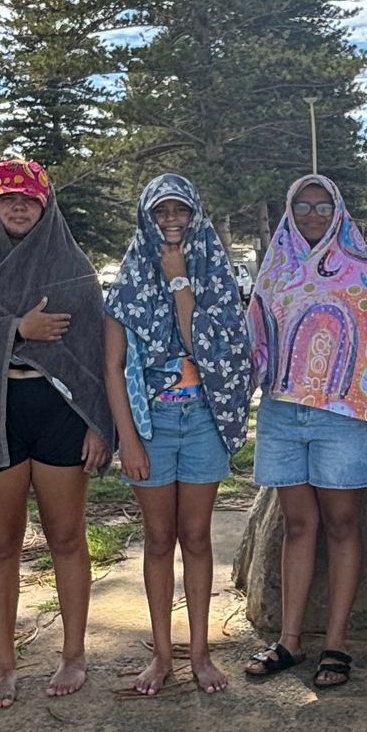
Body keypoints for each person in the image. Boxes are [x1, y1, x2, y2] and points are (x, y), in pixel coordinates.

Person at [0, 155, 113, 705]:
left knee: (66, 535)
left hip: (59, 410)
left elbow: (95, 351)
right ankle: (4, 665)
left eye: (28, 199)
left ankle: (74, 655)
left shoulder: (71, 265)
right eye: (7, 198)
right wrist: (16, 329)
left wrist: (98, 422)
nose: (17, 206)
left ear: (45, 205)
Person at [244, 173, 367, 691]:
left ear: (337, 212)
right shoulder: (274, 271)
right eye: (303, 206)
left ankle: (336, 643)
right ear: (289, 213)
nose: (313, 215)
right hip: (283, 414)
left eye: (322, 206)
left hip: (343, 415)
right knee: (297, 525)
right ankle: (289, 640)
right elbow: (255, 339)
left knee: (341, 523)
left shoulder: (362, 271)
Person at [104, 175, 254, 697]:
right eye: (161, 211)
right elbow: (113, 366)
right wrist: (128, 439)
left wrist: (178, 281)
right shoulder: (126, 281)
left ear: (195, 214)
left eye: (180, 210)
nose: (171, 220)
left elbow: (211, 348)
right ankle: (162, 656)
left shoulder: (214, 275)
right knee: (158, 538)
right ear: (147, 217)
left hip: (202, 420)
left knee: (196, 536)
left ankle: (200, 653)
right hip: (152, 425)